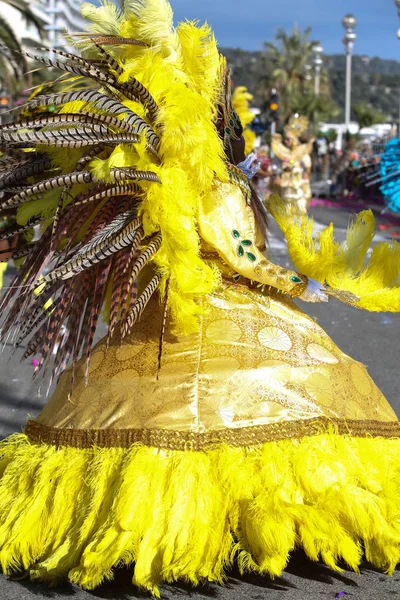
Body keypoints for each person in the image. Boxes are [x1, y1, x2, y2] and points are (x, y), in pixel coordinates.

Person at [0, 1, 400, 596]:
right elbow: (240, 254)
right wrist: (302, 285)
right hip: (211, 302)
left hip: (174, 305)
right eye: (229, 115)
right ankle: (242, 520)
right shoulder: (212, 183)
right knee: (295, 382)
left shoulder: (192, 175)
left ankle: (209, 523)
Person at [271, 114, 314, 214]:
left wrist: (305, 185)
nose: (286, 142)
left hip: (298, 190)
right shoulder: (281, 153)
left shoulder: (302, 153)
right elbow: (275, 167)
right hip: (284, 190)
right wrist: (278, 175)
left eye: (288, 139)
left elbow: (307, 172)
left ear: (294, 140)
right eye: (285, 139)